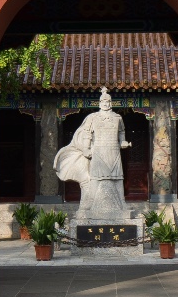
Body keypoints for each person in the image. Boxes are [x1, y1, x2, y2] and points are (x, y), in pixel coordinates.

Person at [53, 87, 131, 223]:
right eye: (103, 101)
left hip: (114, 151)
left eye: (107, 101)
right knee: (95, 178)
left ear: (111, 103)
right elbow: (87, 134)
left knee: (118, 178)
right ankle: (91, 203)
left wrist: (123, 141)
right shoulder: (93, 117)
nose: (105, 103)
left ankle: (122, 203)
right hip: (98, 151)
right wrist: (85, 148)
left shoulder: (118, 118)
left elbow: (121, 132)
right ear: (99, 103)